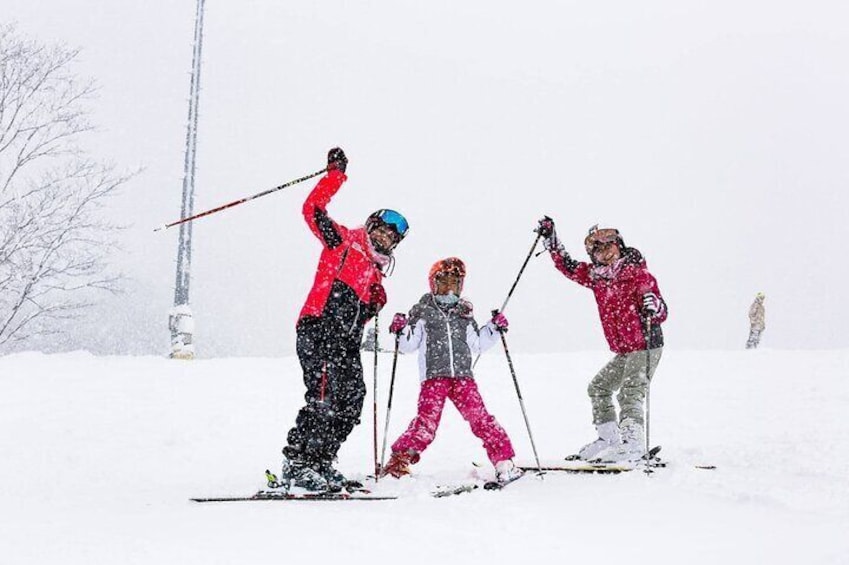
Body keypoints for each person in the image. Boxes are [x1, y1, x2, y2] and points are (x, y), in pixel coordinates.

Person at [280, 147, 410, 491]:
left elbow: (360, 316)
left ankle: (321, 460)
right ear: (371, 225)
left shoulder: (377, 275)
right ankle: (298, 462)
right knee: (323, 396)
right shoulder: (342, 241)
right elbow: (312, 210)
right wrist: (334, 176)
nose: (385, 238)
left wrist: (374, 305)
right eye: (382, 230)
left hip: (346, 343)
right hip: (318, 328)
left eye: (392, 238)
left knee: (352, 401)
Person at [380, 257, 524, 485]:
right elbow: (408, 345)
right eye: (444, 281)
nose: (449, 288)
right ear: (433, 284)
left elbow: (478, 343)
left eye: (455, 283)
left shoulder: (464, 314)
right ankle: (398, 461)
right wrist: (401, 330)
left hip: (463, 378)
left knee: (481, 419)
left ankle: (503, 462)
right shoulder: (423, 312)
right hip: (434, 378)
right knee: (426, 423)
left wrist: (494, 329)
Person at [537, 218, 668, 463]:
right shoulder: (597, 277)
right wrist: (551, 240)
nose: (604, 253)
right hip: (626, 349)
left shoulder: (638, 275)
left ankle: (633, 443)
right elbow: (568, 266)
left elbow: (661, 313)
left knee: (631, 391)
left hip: (647, 343)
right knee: (598, 387)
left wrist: (655, 307)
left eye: (609, 246)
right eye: (596, 249)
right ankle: (609, 439)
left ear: (619, 246)